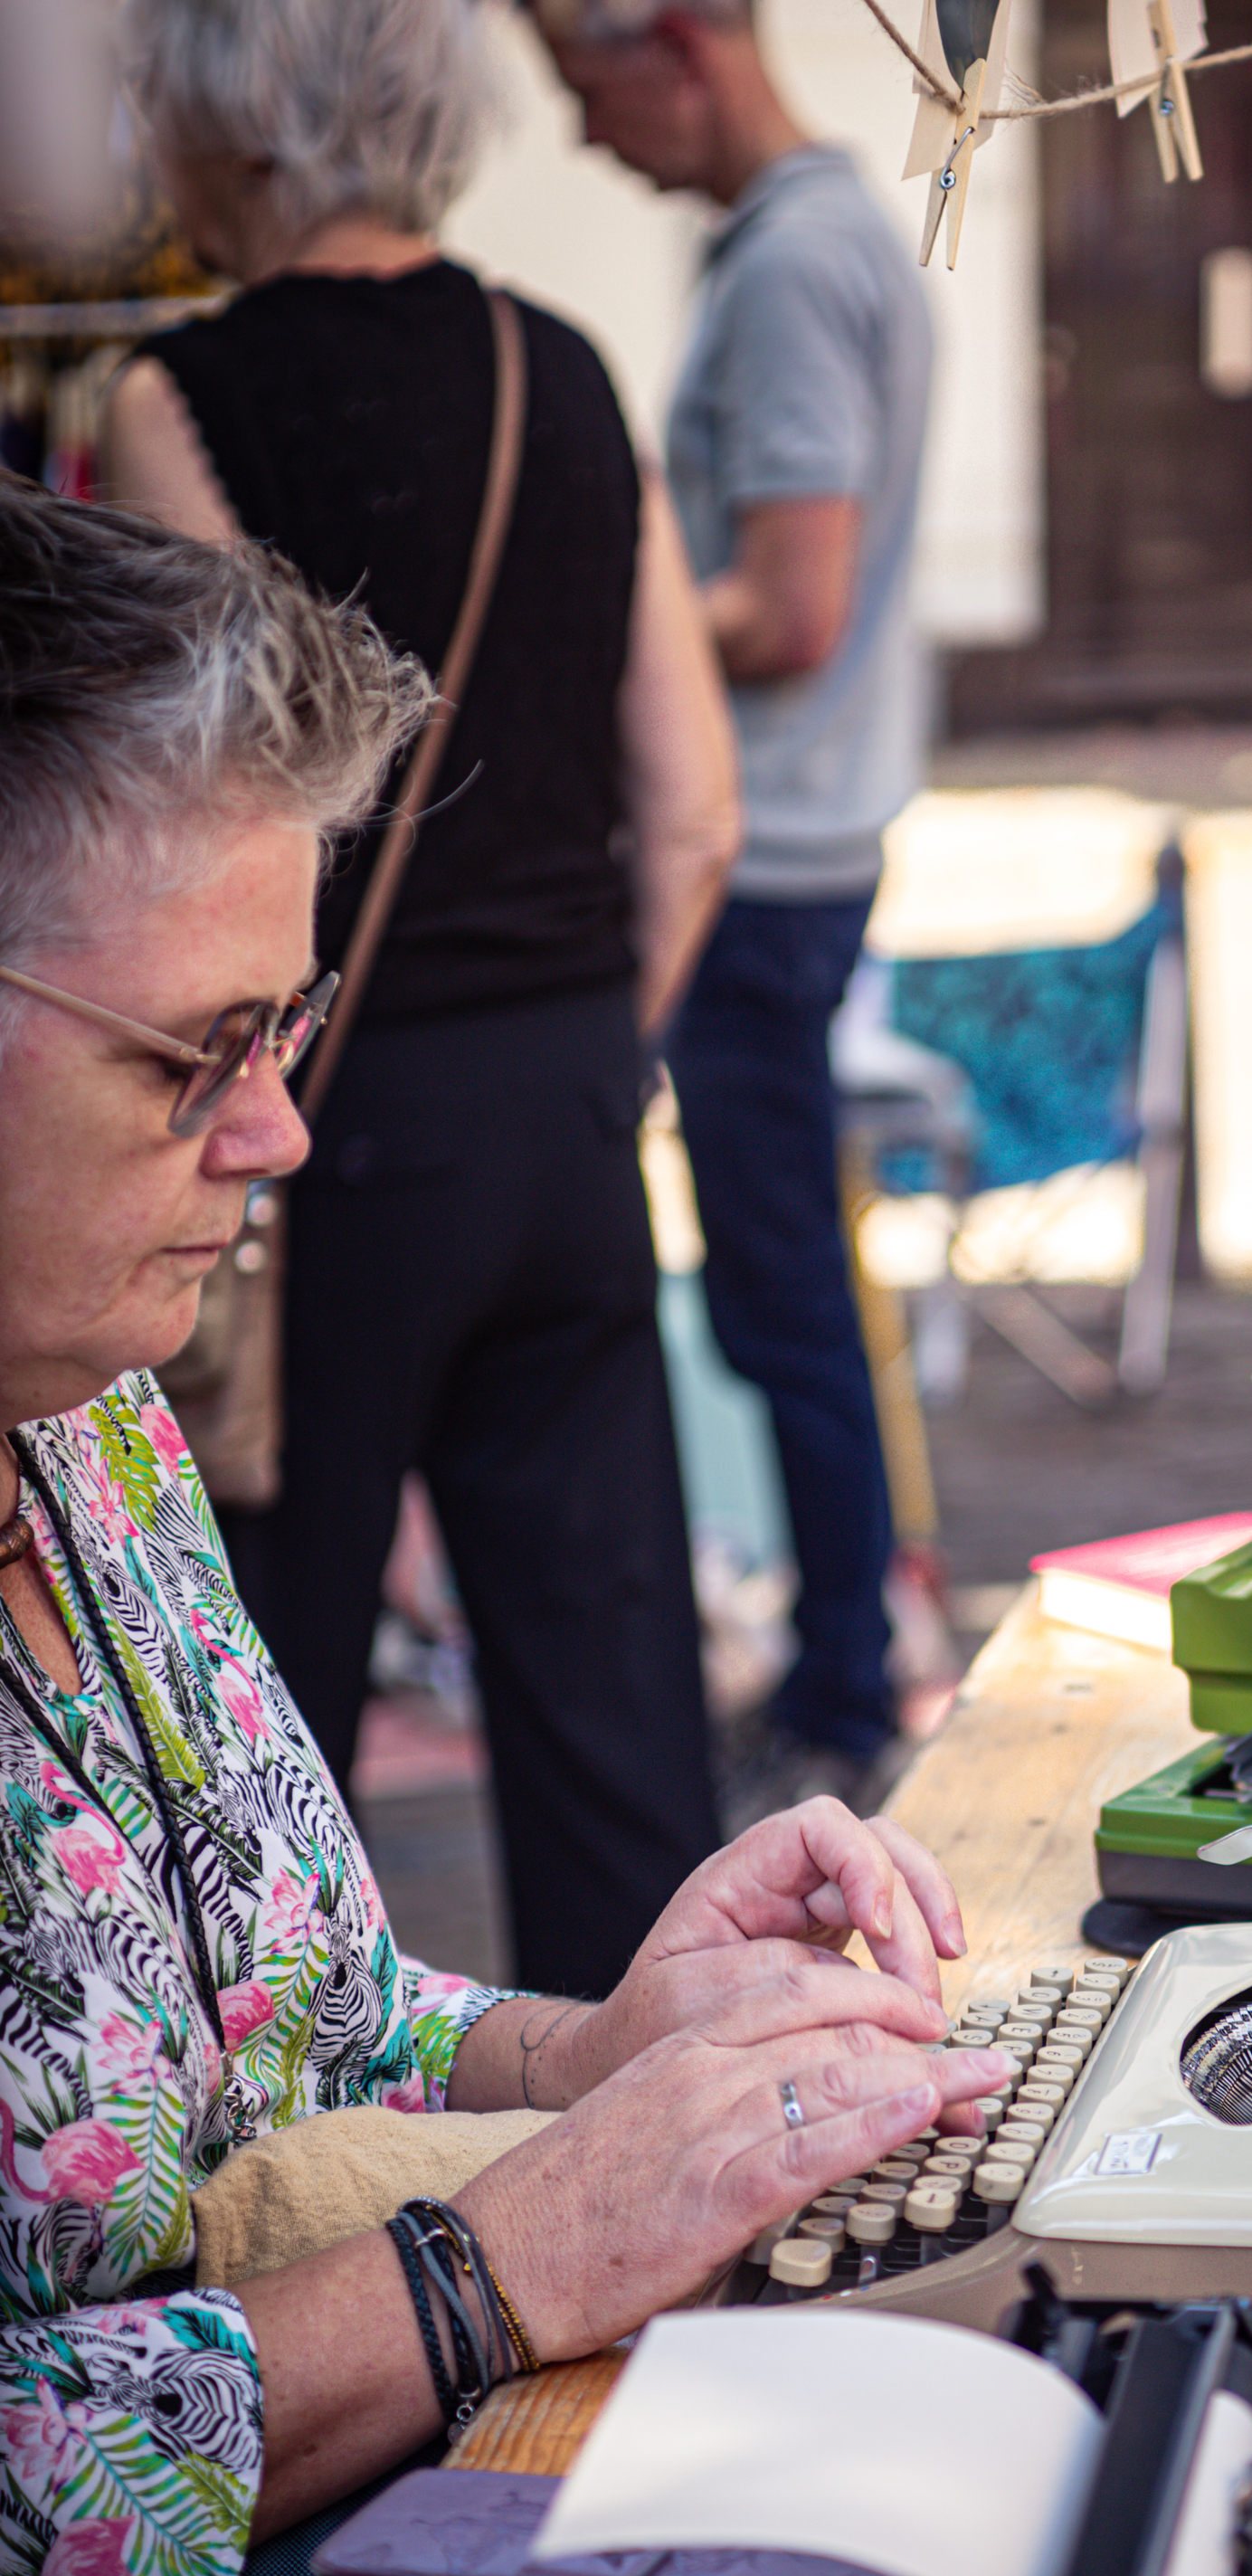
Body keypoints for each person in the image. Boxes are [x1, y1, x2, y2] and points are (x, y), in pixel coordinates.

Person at [0, 478, 1008, 2576]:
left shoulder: (93, 1422)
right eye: (194, 1053)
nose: (278, 1133)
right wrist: (494, 2269)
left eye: (295, 1027)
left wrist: (591, 2046)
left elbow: (309, 2022)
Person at [99, 0, 743, 2001]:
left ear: (217, 116)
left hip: (322, 1118)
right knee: (611, 1692)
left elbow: (191, 824)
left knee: (266, 1699)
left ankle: (311, 2171)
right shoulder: (561, 359)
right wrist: (588, 1044)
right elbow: (696, 810)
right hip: (564, 1100)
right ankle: (680, 2133)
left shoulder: (173, 395)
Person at [533, 0, 934, 1820]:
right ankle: (839, 1659)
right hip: (796, 848)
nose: (584, 135)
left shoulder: (791, 264)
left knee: (776, 1304)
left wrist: (578, 608)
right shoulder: (820, 234)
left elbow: (785, 605)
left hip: (760, 864)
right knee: (788, 1295)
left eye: (582, 82)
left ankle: (844, 1688)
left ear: (678, 39)